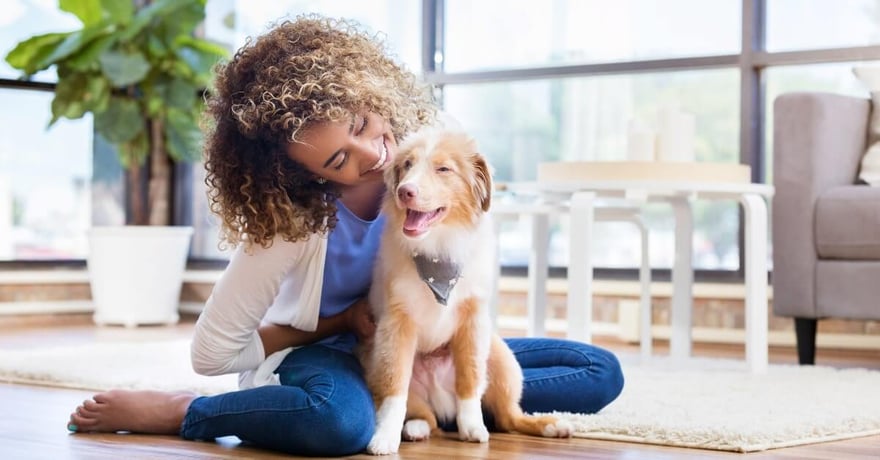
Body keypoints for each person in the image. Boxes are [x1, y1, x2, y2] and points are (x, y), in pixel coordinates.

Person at [66, 14, 624, 457]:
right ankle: (189, 412)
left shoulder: (423, 161)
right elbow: (211, 352)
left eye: (361, 125)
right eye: (338, 158)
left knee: (599, 373)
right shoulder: (289, 221)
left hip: (427, 346)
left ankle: (435, 404)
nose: (374, 154)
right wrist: (339, 322)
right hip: (332, 353)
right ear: (309, 174)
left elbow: (468, 244)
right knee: (339, 425)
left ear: (368, 93)